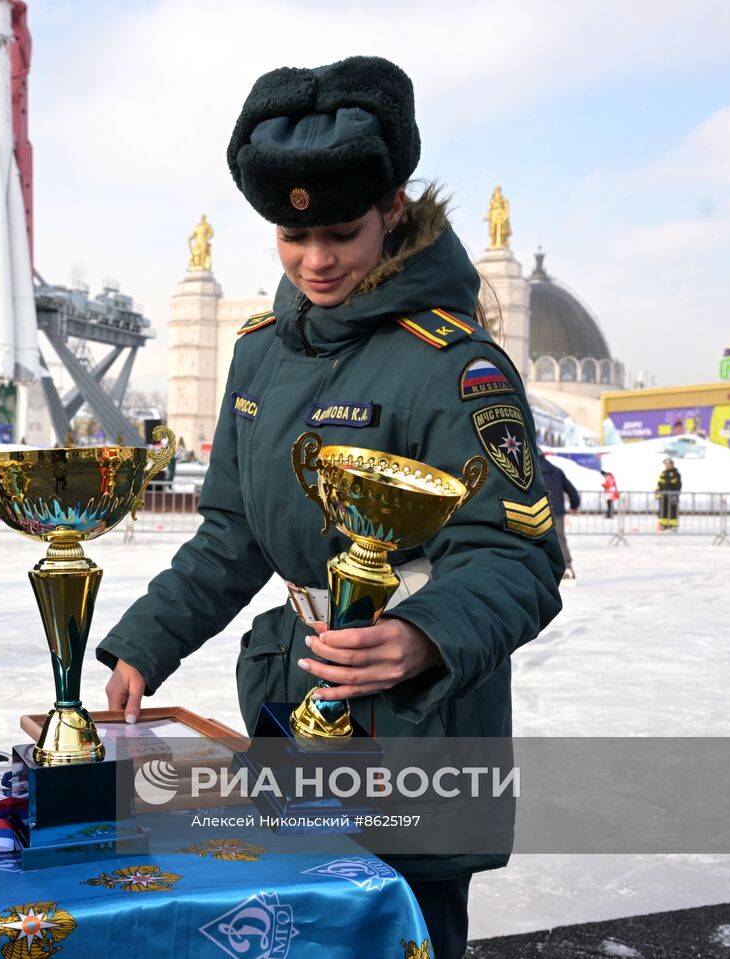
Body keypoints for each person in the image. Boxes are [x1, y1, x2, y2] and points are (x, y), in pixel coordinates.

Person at [97, 56, 564, 958]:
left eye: (343, 233)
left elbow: (517, 557)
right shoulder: (262, 353)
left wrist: (425, 633)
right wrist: (144, 647)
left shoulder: (454, 365)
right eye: (289, 235)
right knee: (287, 931)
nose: (316, 260)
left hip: (421, 725)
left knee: (402, 937)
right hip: (293, 698)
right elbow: (233, 533)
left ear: (394, 209)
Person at [540, 455, 581, 580]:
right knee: (560, 540)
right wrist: (575, 504)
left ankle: (539, 570)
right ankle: (567, 568)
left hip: (534, 512)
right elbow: (571, 490)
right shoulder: (557, 471)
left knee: (535, 541)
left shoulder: (529, 471)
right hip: (556, 511)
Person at [656, 457, 682, 530]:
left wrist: (676, 494)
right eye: (665, 464)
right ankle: (663, 525)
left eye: (668, 464)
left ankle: (673, 525)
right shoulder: (663, 473)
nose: (666, 466)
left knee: (673, 510)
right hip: (663, 495)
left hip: (673, 495)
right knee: (663, 510)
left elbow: (678, 485)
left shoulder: (676, 474)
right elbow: (659, 484)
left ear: (671, 464)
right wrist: (658, 493)